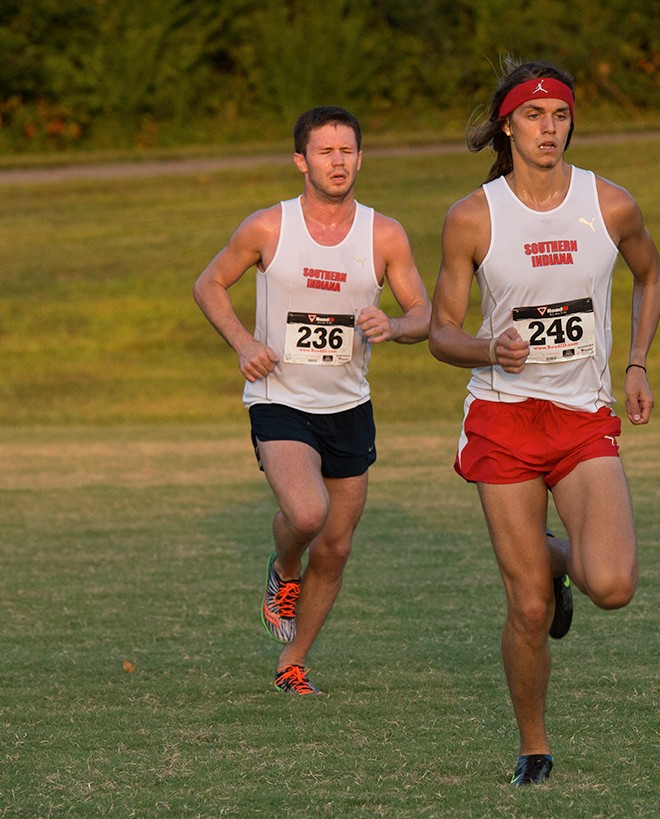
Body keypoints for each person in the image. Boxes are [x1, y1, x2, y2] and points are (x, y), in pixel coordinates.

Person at [428, 59, 660, 784]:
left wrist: (636, 361)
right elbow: (440, 331)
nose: (549, 129)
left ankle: (561, 555)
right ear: (508, 125)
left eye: (560, 116)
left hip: (581, 413)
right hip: (501, 419)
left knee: (614, 583)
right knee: (528, 605)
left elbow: (650, 273)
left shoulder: (610, 203)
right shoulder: (474, 216)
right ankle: (534, 744)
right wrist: (485, 345)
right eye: (534, 117)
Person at [194, 106, 430, 695]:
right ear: (301, 161)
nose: (338, 161)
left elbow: (424, 314)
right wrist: (244, 342)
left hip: (349, 406)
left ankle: (292, 662)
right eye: (325, 152)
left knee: (339, 544)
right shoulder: (268, 227)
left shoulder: (384, 233)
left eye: (347, 150)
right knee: (307, 514)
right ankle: (283, 568)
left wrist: (394, 325)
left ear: (359, 156)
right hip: (279, 398)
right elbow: (209, 284)